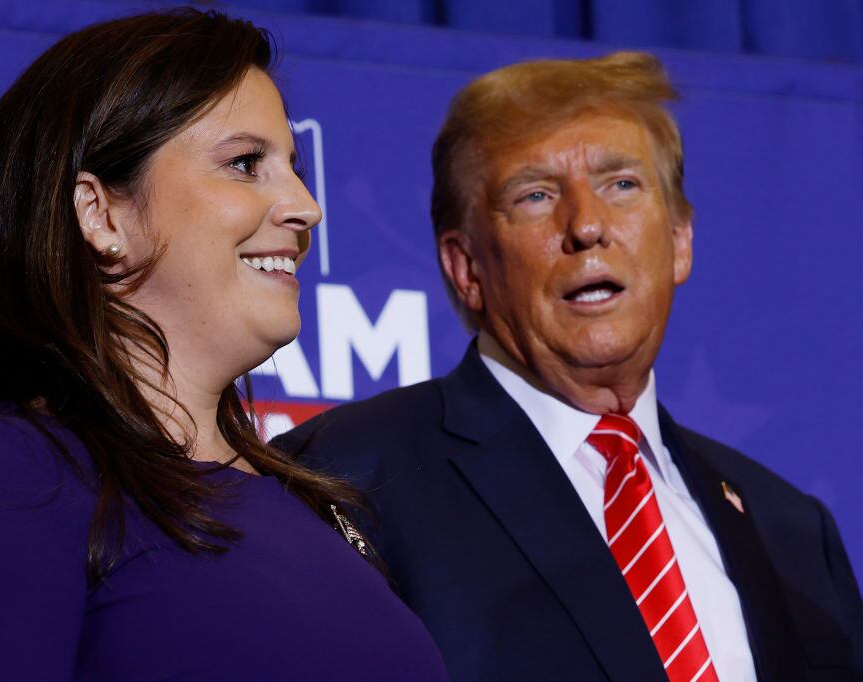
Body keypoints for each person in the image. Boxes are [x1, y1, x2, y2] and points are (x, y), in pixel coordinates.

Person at [0, 9, 448, 681]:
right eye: (245, 164)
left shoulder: (312, 505)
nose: (306, 206)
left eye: (294, 167)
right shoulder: (9, 476)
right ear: (101, 214)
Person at [275, 52, 863, 681]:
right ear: (466, 268)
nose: (586, 225)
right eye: (536, 195)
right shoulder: (344, 483)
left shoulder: (794, 533)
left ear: (681, 241)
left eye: (622, 185)